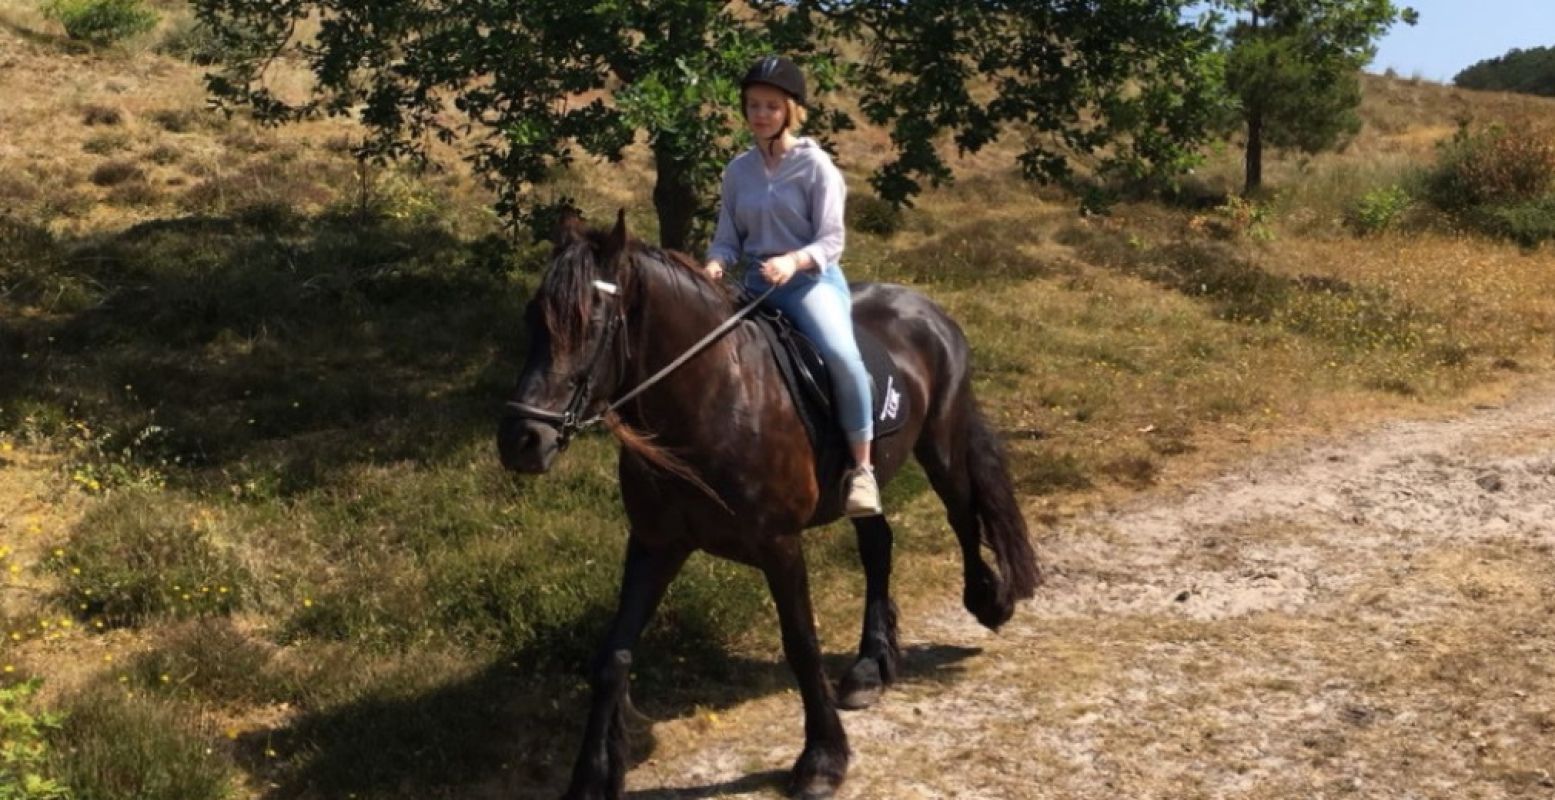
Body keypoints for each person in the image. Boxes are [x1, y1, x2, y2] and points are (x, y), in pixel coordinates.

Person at [702, 55, 882, 518]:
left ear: (790, 111)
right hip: (753, 282)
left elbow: (832, 241)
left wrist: (793, 260)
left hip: (809, 283)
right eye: (753, 105)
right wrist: (716, 265)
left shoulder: (816, 166)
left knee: (843, 357)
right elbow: (727, 237)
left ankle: (862, 470)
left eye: (770, 106)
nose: (760, 115)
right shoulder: (736, 171)